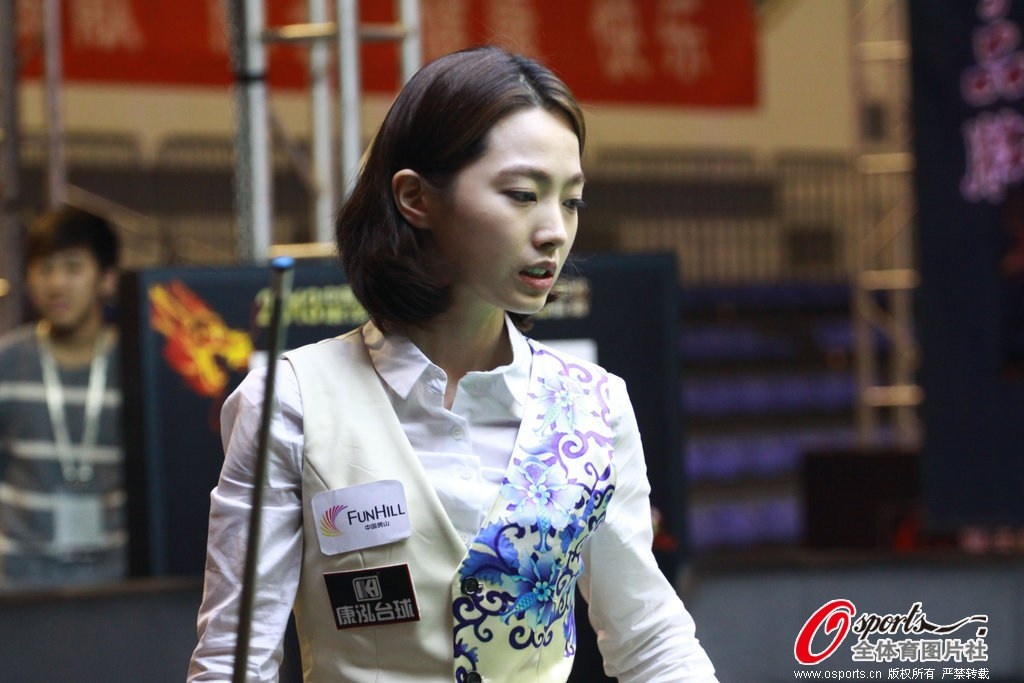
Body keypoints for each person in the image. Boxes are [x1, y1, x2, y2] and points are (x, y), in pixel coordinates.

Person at [188, 45, 718, 682]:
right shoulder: (291, 401)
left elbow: (650, 638)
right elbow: (234, 661)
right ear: (415, 197)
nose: (554, 229)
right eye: (523, 194)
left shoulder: (594, 403)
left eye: (571, 201)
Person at [0, 205, 126, 589]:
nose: (56, 283)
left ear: (107, 279)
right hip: (18, 586)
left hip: (117, 584)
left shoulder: (135, 365)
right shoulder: (7, 362)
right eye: (44, 268)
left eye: (73, 268)